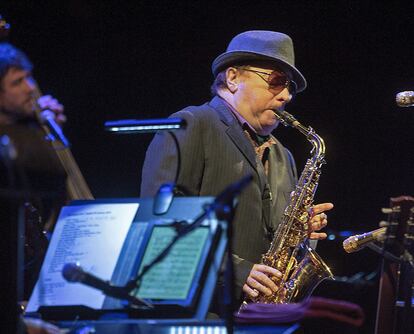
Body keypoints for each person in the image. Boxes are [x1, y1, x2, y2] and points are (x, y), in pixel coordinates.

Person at [140, 31, 333, 305]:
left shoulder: (283, 155)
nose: (287, 95)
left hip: (257, 316)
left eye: (289, 86)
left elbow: (276, 242)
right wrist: (237, 271)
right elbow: (162, 223)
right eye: (276, 82)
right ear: (232, 78)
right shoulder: (191, 125)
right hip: (200, 311)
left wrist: (301, 235)